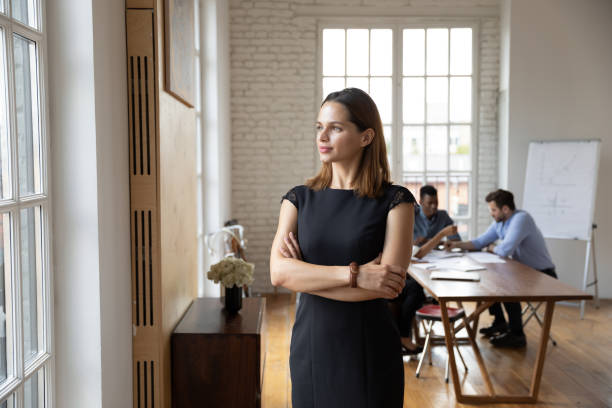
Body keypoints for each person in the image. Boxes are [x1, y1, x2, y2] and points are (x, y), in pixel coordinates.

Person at [270, 88, 415, 408]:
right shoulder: (298, 199)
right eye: (319, 127)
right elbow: (279, 274)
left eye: (335, 127)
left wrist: (306, 276)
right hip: (312, 347)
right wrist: (356, 274)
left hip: (369, 349)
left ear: (366, 137)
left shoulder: (397, 201)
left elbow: (386, 287)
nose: (323, 136)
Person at [446, 189, 557, 348]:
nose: (491, 213)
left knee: (506, 285)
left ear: (505, 209)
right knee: (491, 278)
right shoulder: (500, 222)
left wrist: (493, 248)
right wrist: (457, 245)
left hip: (544, 275)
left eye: (493, 210)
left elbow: (505, 250)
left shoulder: (521, 219)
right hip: (525, 272)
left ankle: (517, 335)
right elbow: (480, 242)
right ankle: (500, 322)